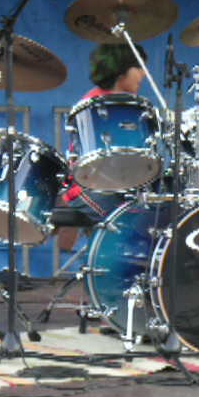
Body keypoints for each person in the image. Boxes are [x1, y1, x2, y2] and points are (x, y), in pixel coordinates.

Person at [57, 43, 147, 251]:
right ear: (121, 70)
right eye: (139, 67)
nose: (144, 73)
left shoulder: (129, 103)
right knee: (133, 219)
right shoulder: (95, 103)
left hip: (118, 186)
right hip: (90, 187)